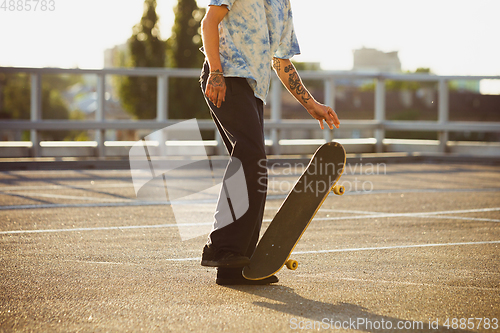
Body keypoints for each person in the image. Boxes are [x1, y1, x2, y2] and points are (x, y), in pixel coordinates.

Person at [199, 0, 340, 285]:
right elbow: (209, 22)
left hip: (253, 90)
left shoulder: (282, 4)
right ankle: (222, 247)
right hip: (225, 77)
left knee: (254, 165)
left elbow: (281, 61)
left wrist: (310, 104)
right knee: (250, 156)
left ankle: (236, 264)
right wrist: (215, 72)